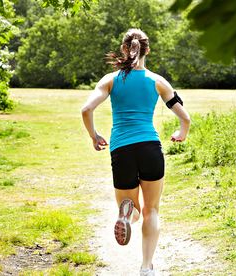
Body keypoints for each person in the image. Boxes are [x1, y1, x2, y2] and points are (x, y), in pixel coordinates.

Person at [81, 28, 190, 275]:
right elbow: (184, 115)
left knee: (133, 207)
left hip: (122, 150)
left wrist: (94, 136)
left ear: (123, 49)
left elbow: (86, 110)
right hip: (150, 148)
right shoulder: (157, 81)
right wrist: (181, 132)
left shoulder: (110, 80)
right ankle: (146, 267)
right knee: (152, 210)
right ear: (147, 50)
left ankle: (127, 217)